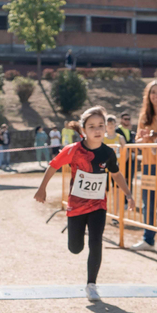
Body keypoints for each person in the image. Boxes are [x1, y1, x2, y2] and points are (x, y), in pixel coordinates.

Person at [33, 106, 134, 301]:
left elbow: (116, 174)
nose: (97, 130)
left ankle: (91, 284)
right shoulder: (73, 150)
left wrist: (128, 194)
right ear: (83, 130)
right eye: (91, 126)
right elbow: (53, 165)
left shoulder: (108, 153)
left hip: (98, 206)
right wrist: (42, 188)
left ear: (105, 128)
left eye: (100, 126)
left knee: (96, 242)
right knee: (75, 248)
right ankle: (78, 247)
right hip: (76, 206)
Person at [129, 79, 157, 252]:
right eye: (153, 92)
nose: (156, 95)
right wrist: (144, 138)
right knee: (149, 204)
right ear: (148, 95)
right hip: (148, 165)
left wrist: (152, 136)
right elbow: (139, 139)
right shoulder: (144, 115)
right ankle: (148, 239)